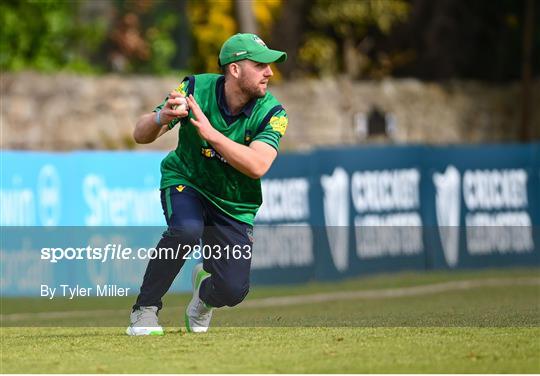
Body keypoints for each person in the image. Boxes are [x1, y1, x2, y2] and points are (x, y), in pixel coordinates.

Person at [126, 33, 288, 335]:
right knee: (186, 231)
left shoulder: (273, 113)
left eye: (269, 65)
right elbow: (140, 134)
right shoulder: (193, 88)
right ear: (235, 69)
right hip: (187, 180)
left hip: (234, 203)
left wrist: (210, 133)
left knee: (232, 290)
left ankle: (203, 296)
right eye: (260, 65)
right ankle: (145, 310)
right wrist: (162, 116)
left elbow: (257, 165)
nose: (269, 72)